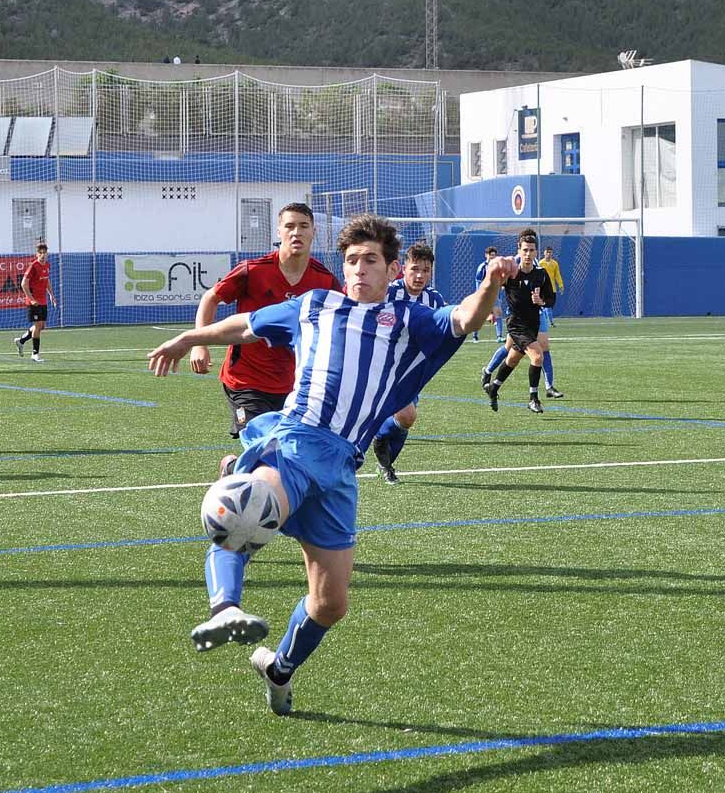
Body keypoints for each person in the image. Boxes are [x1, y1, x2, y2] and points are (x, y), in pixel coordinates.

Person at [147, 213, 517, 716]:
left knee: (330, 604)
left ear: (390, 269)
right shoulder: (315, 305)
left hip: (343, 467)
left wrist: (493, 284)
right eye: (351, 261)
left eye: (370, 260)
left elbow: (468, 317)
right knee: (243, 506)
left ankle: (279, 669)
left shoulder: (410, 320)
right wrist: (191, 338)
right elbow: (249, 325)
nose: (359, 269)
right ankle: (225, 608)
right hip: (298, 440)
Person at [189, 202, 340, 464]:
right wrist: (199, 344)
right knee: (264, 447)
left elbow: (341, 320)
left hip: (295, 386)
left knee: (291, 457)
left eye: (303, 226)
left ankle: (234, 471)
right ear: (279, 231)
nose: (297, 233)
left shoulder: (324, 280)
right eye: (290, 226)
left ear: (313, 232)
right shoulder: (253, 270)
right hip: (246, 380)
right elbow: (210, 298)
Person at [371, 242, 448, 485]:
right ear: (403, 268)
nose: (419, 275)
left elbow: (444, 330)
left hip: (411, 371)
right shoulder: (388, 293)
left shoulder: (434, 299)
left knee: (406, 418)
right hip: (379, 367)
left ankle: (384, 455)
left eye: (425, 270)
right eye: (414, 269)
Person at [484, 228, 555, 414]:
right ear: (519, 249)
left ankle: (494, 388)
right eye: (525, 250)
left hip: (533, 325)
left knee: (513, 360)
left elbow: (551, 298)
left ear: (536, 252)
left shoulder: (541, 274)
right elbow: (491, 288)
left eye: (531, 250)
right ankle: (533, 398)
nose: (528, 254)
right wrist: (491, 310)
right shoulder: (510, 273)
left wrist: (542, 301)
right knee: (538, 356)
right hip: (516, 324)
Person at [14, 243, 57, 363]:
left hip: (43, 301)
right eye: (40, 253)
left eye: (45, 253)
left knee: (42, 326)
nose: (43, 255)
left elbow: (46, 280)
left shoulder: (47, 265)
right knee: (38, 326)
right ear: (36, 254)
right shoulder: (33, 266)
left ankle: (21, 341)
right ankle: (35, 354)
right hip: (33, 302)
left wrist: (51, 295)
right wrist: (31, 299)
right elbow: (23, 284)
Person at [536, 245, 565, 397]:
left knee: (544, 349)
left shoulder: (554, 264)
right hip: (521, 320)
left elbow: (557, 274)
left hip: (548, 293)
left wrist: (560, 285)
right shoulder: (539, 264)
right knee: (511, 353)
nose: (549, 254)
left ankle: (549, 387)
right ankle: (489, 373)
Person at [472, 245, 505, 343]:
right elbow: (478, 281)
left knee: (498, 313)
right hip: (484, 294)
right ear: (486, 255)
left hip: (494, 294)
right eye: (491, 255)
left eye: (494, 255)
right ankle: (475, 336)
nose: (492, 257)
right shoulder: (482, 267)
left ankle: (499, 336)